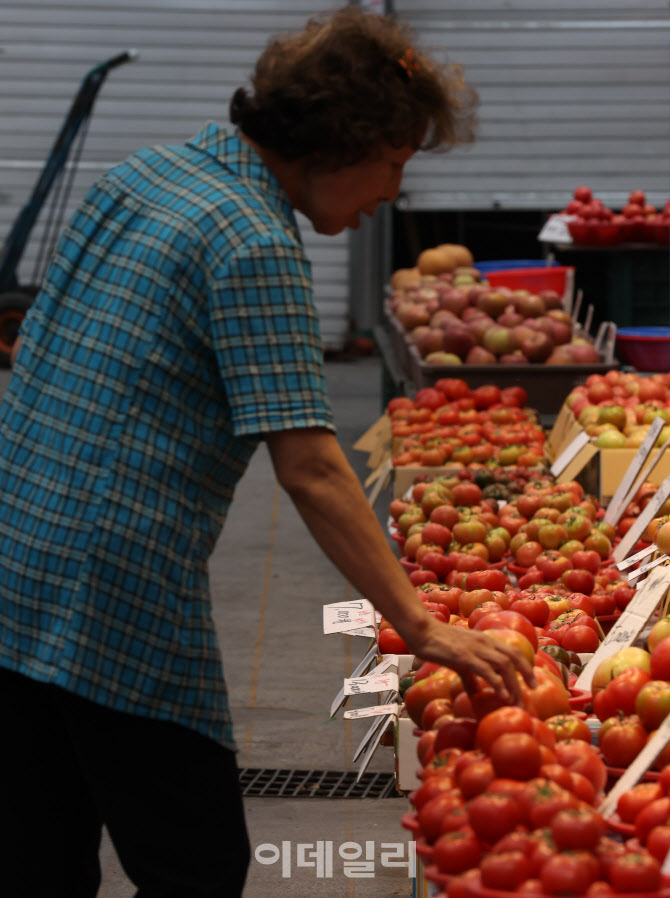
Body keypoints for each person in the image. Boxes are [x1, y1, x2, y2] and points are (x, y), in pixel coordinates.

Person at [0, 6, 534, 897]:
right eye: (394, 163)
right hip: (114, 596)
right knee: (196, 863)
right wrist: (422, 623)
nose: (391, 194)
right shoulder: (252, 241)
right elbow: (313, 466)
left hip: (16, 565)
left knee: (35, 859)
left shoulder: (142, 176)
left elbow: (34, 354)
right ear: (346, 137)